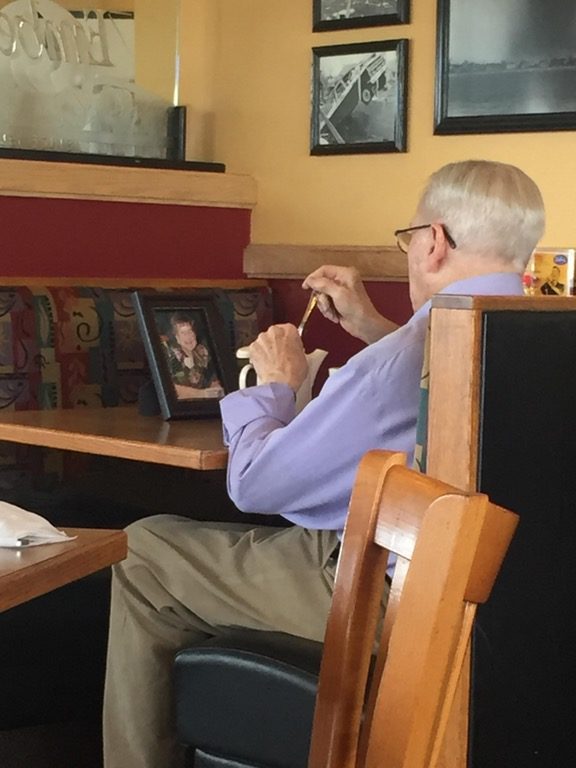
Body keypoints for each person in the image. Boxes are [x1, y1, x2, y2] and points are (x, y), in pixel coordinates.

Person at [103, 160, 545, 768]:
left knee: (141, 552)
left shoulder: (396, 363)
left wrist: (277, 386)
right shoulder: (535, 333)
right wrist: (373, 328)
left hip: (384, 593)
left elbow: (254, 483)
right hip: (499, 607)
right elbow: (441, 392)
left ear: (434, 243)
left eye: (410, 238)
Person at [164, 311, 223, 399]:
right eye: (183, 333)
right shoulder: (171, 357)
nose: (188, 336)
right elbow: (169, 389)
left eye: (190, 331)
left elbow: (214, 378)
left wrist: (215, 387)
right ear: (177, 337)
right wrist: (203, 394)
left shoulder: (202, 352)